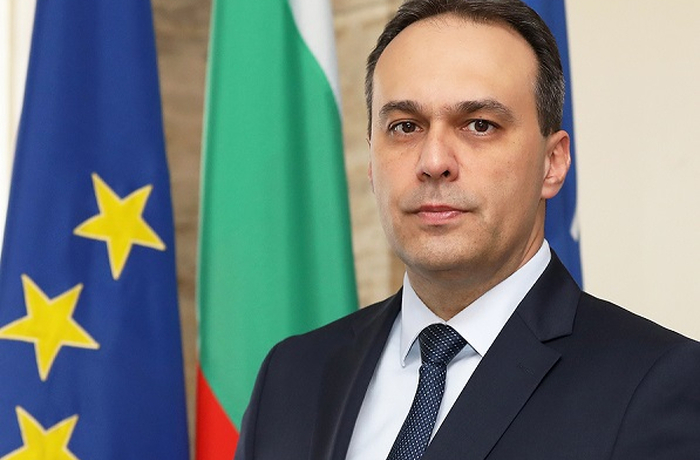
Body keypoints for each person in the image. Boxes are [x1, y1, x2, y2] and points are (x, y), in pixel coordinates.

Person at [234, 0, 700, 458]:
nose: (434, 161)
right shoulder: (290, 376)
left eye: (479, 125)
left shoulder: (658, 385)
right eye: (405, 127)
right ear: (372, 161)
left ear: (552, 163)